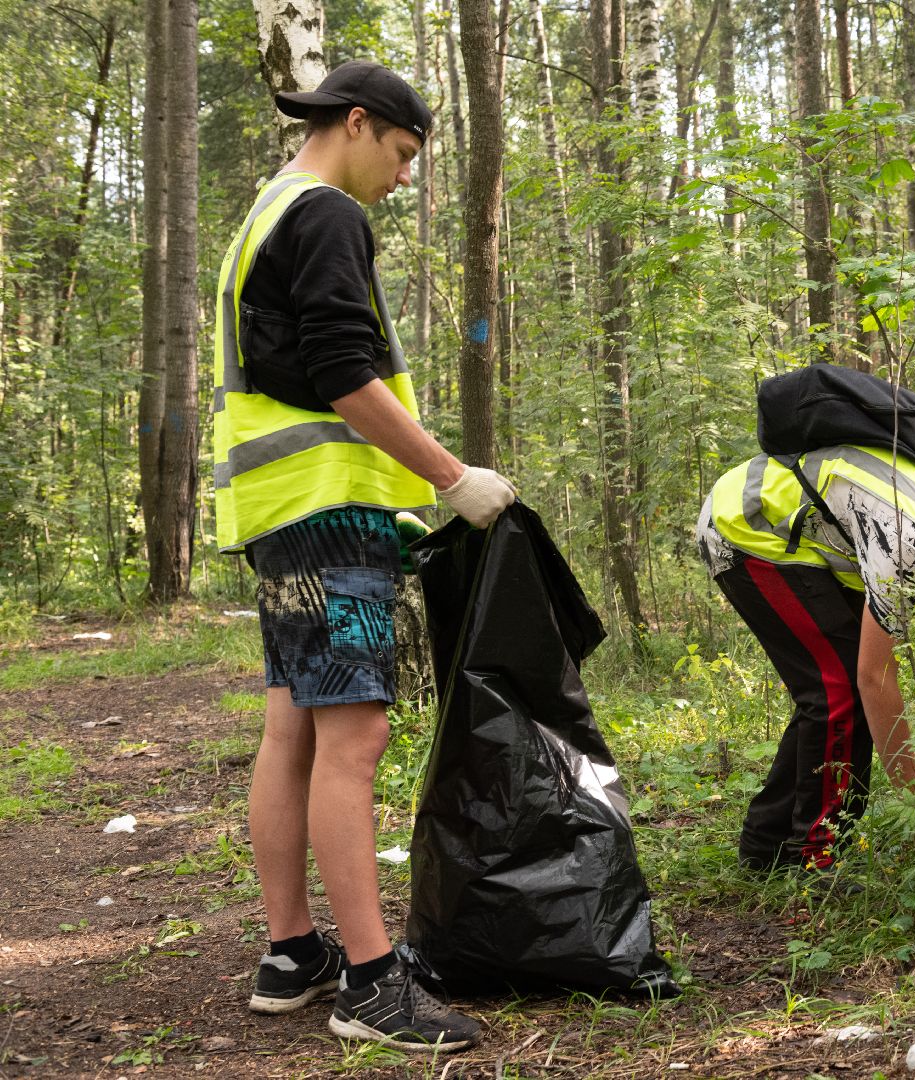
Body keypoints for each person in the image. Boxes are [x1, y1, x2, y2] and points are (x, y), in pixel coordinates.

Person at [209, 61, 515, 1053]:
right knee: (356, 735)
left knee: (293, 728)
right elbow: (343, 372)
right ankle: (374, 986)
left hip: (279, 509)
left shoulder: (267, 211)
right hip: (328, 508)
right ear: (356, 122)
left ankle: (293, 952)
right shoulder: (327, 214)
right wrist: (449, 478)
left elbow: (293, 366)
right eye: (403, 152)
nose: (406, 175)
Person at [695, 443, 915, 874]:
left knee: (833, 688)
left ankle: (765, 847)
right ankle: (811, 859)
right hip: (746, 527)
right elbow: (875, 678)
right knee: (839, 689)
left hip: (806, 541)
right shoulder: (909, 546)